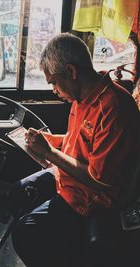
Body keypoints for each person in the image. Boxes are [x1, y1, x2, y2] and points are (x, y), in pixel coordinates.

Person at [8, 33, 140, 267]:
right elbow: (78, 140)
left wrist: (48, 152)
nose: (53, 91)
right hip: (68, 179)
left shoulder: (113, 107)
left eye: (54, 82)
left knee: (23, 234)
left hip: (93, 196)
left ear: (71, 72)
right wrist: (50, 140)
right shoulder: (81, 98)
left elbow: (101, 180)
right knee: (17, 192)